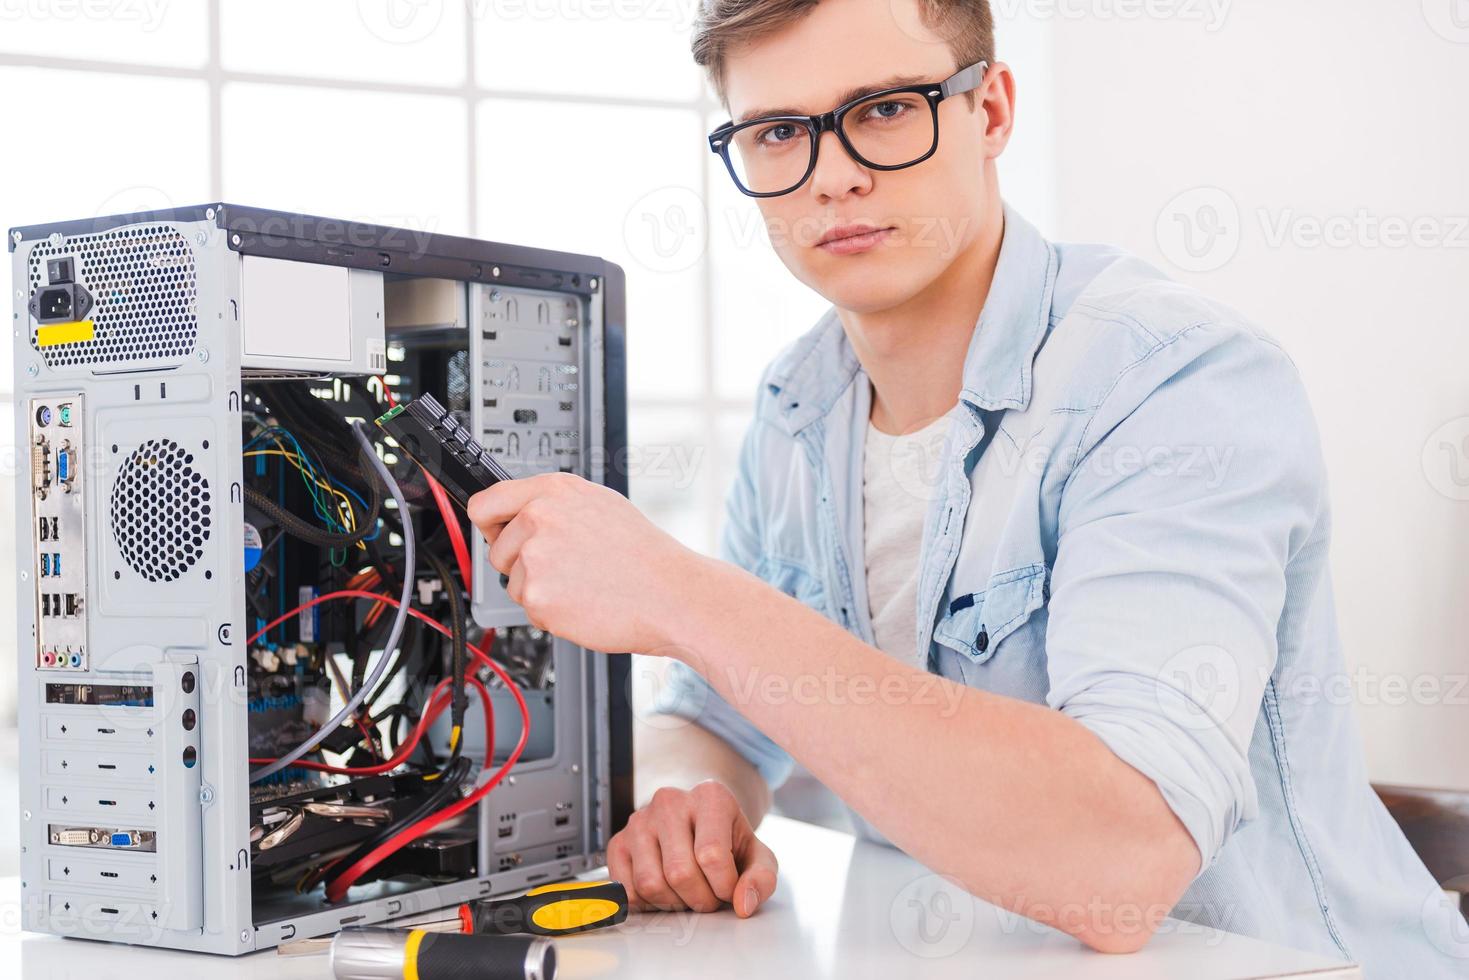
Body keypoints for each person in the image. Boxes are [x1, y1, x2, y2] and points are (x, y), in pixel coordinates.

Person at [466, 0, 1467, 970]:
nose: (835, 177)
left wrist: (676, 591)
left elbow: (1118, 858)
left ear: (987, 112)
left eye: (884, 110)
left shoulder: (1175, 380)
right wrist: (693, 795)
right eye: (778, 131)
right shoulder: (797, 406)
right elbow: (716, 716)